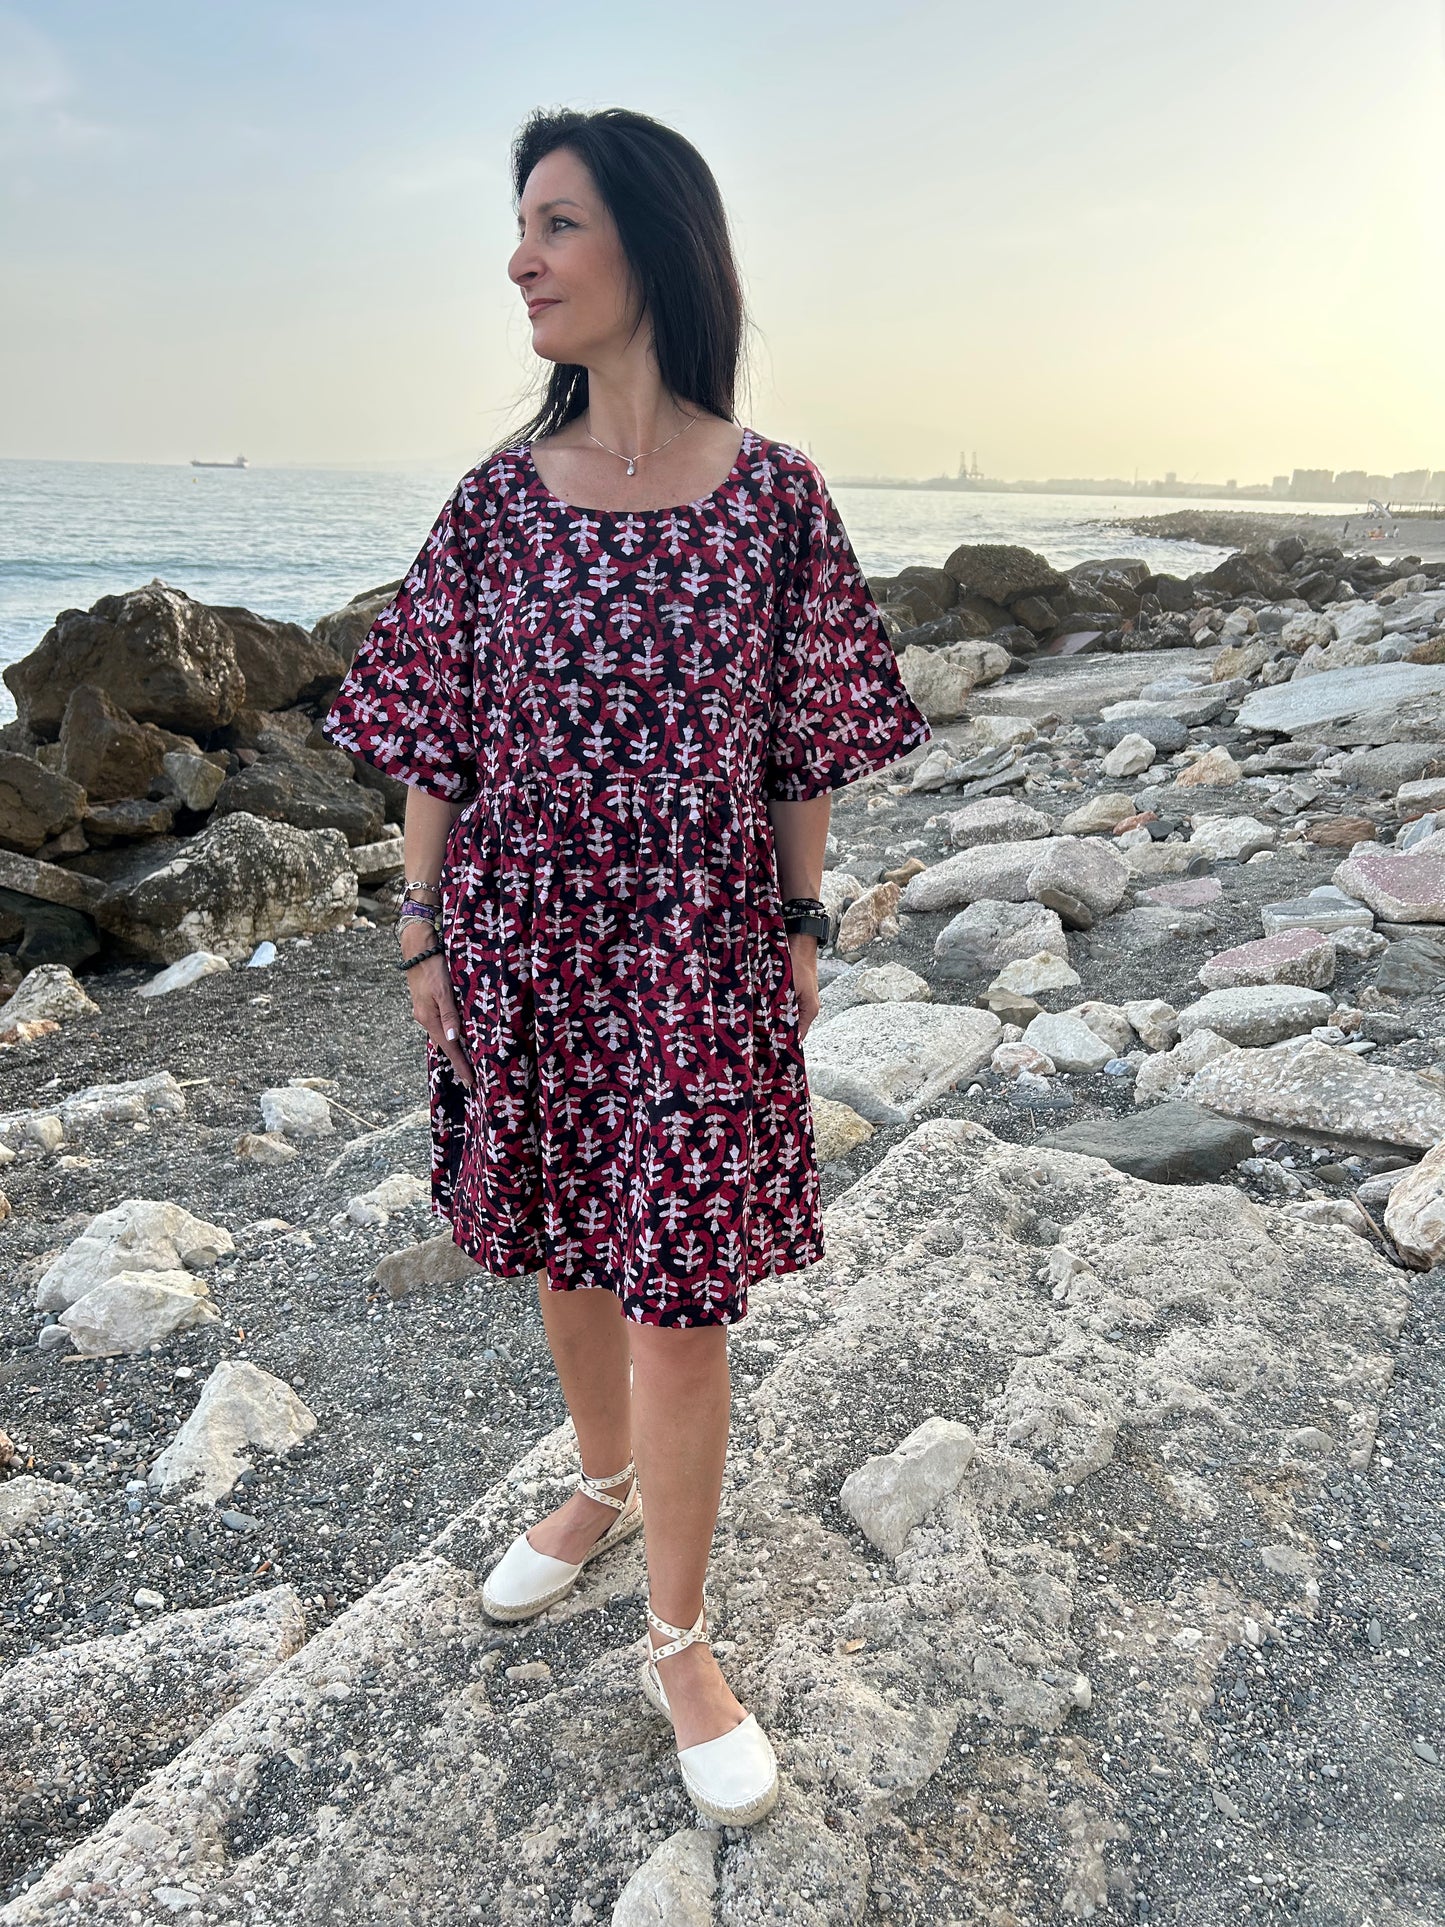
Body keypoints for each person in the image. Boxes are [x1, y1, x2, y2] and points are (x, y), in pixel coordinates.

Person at [320, 105, 933, 1830]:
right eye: (517, 225)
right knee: (552, 1237)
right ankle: (588, 1487)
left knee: (681, 1298)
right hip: (518, 944)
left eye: (555, 222)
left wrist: (801, 924)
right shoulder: (498, 502)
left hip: (694, 949)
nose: (519, 257)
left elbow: (803, 742)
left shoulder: (776, 500)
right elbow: (430, 732)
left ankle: (678, 1641)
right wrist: (423, 923)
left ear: (653, 245)